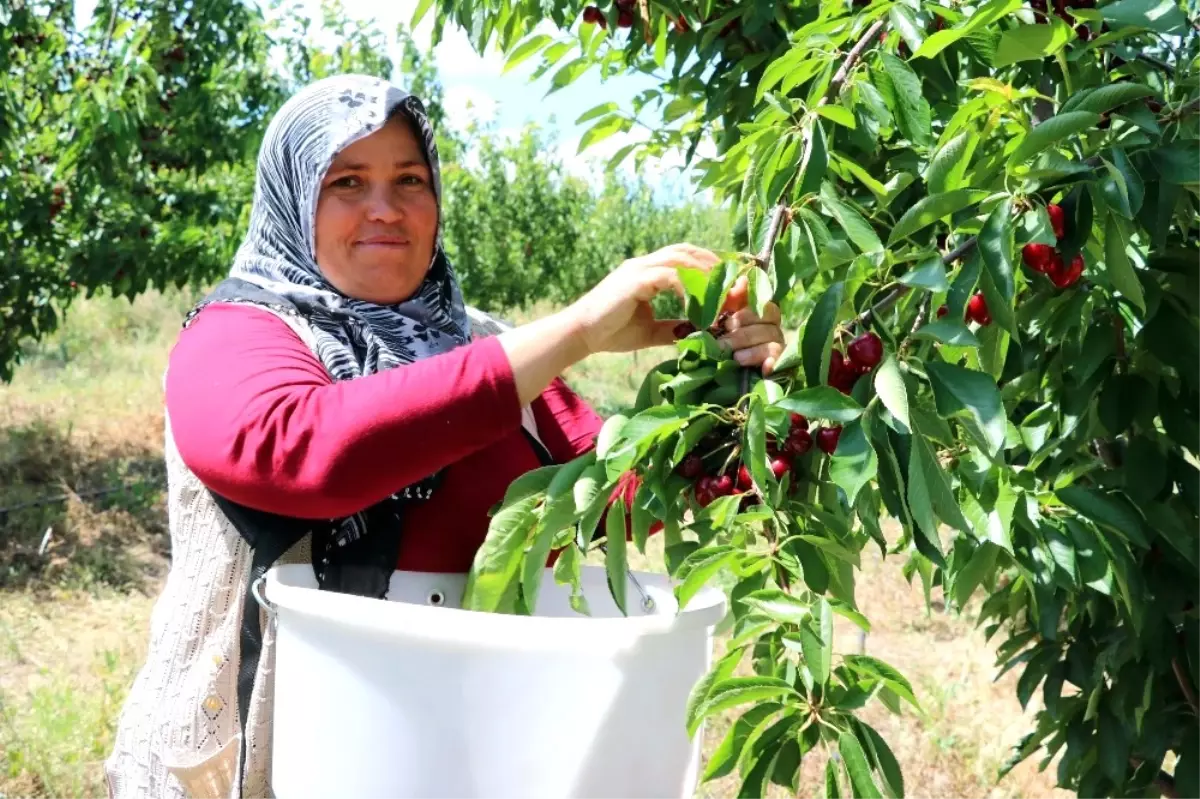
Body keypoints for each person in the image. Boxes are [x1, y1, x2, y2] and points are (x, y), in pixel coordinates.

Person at [103, 73, 785, 798]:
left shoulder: (490, 351)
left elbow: (630, 495)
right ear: (293, 195)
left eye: (410, 180)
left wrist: (741, 388)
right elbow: (305, 452)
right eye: (346, 181)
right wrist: (578, 330)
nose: (384, 209)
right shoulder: (236, 335)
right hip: (261, 766)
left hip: (455, 756)